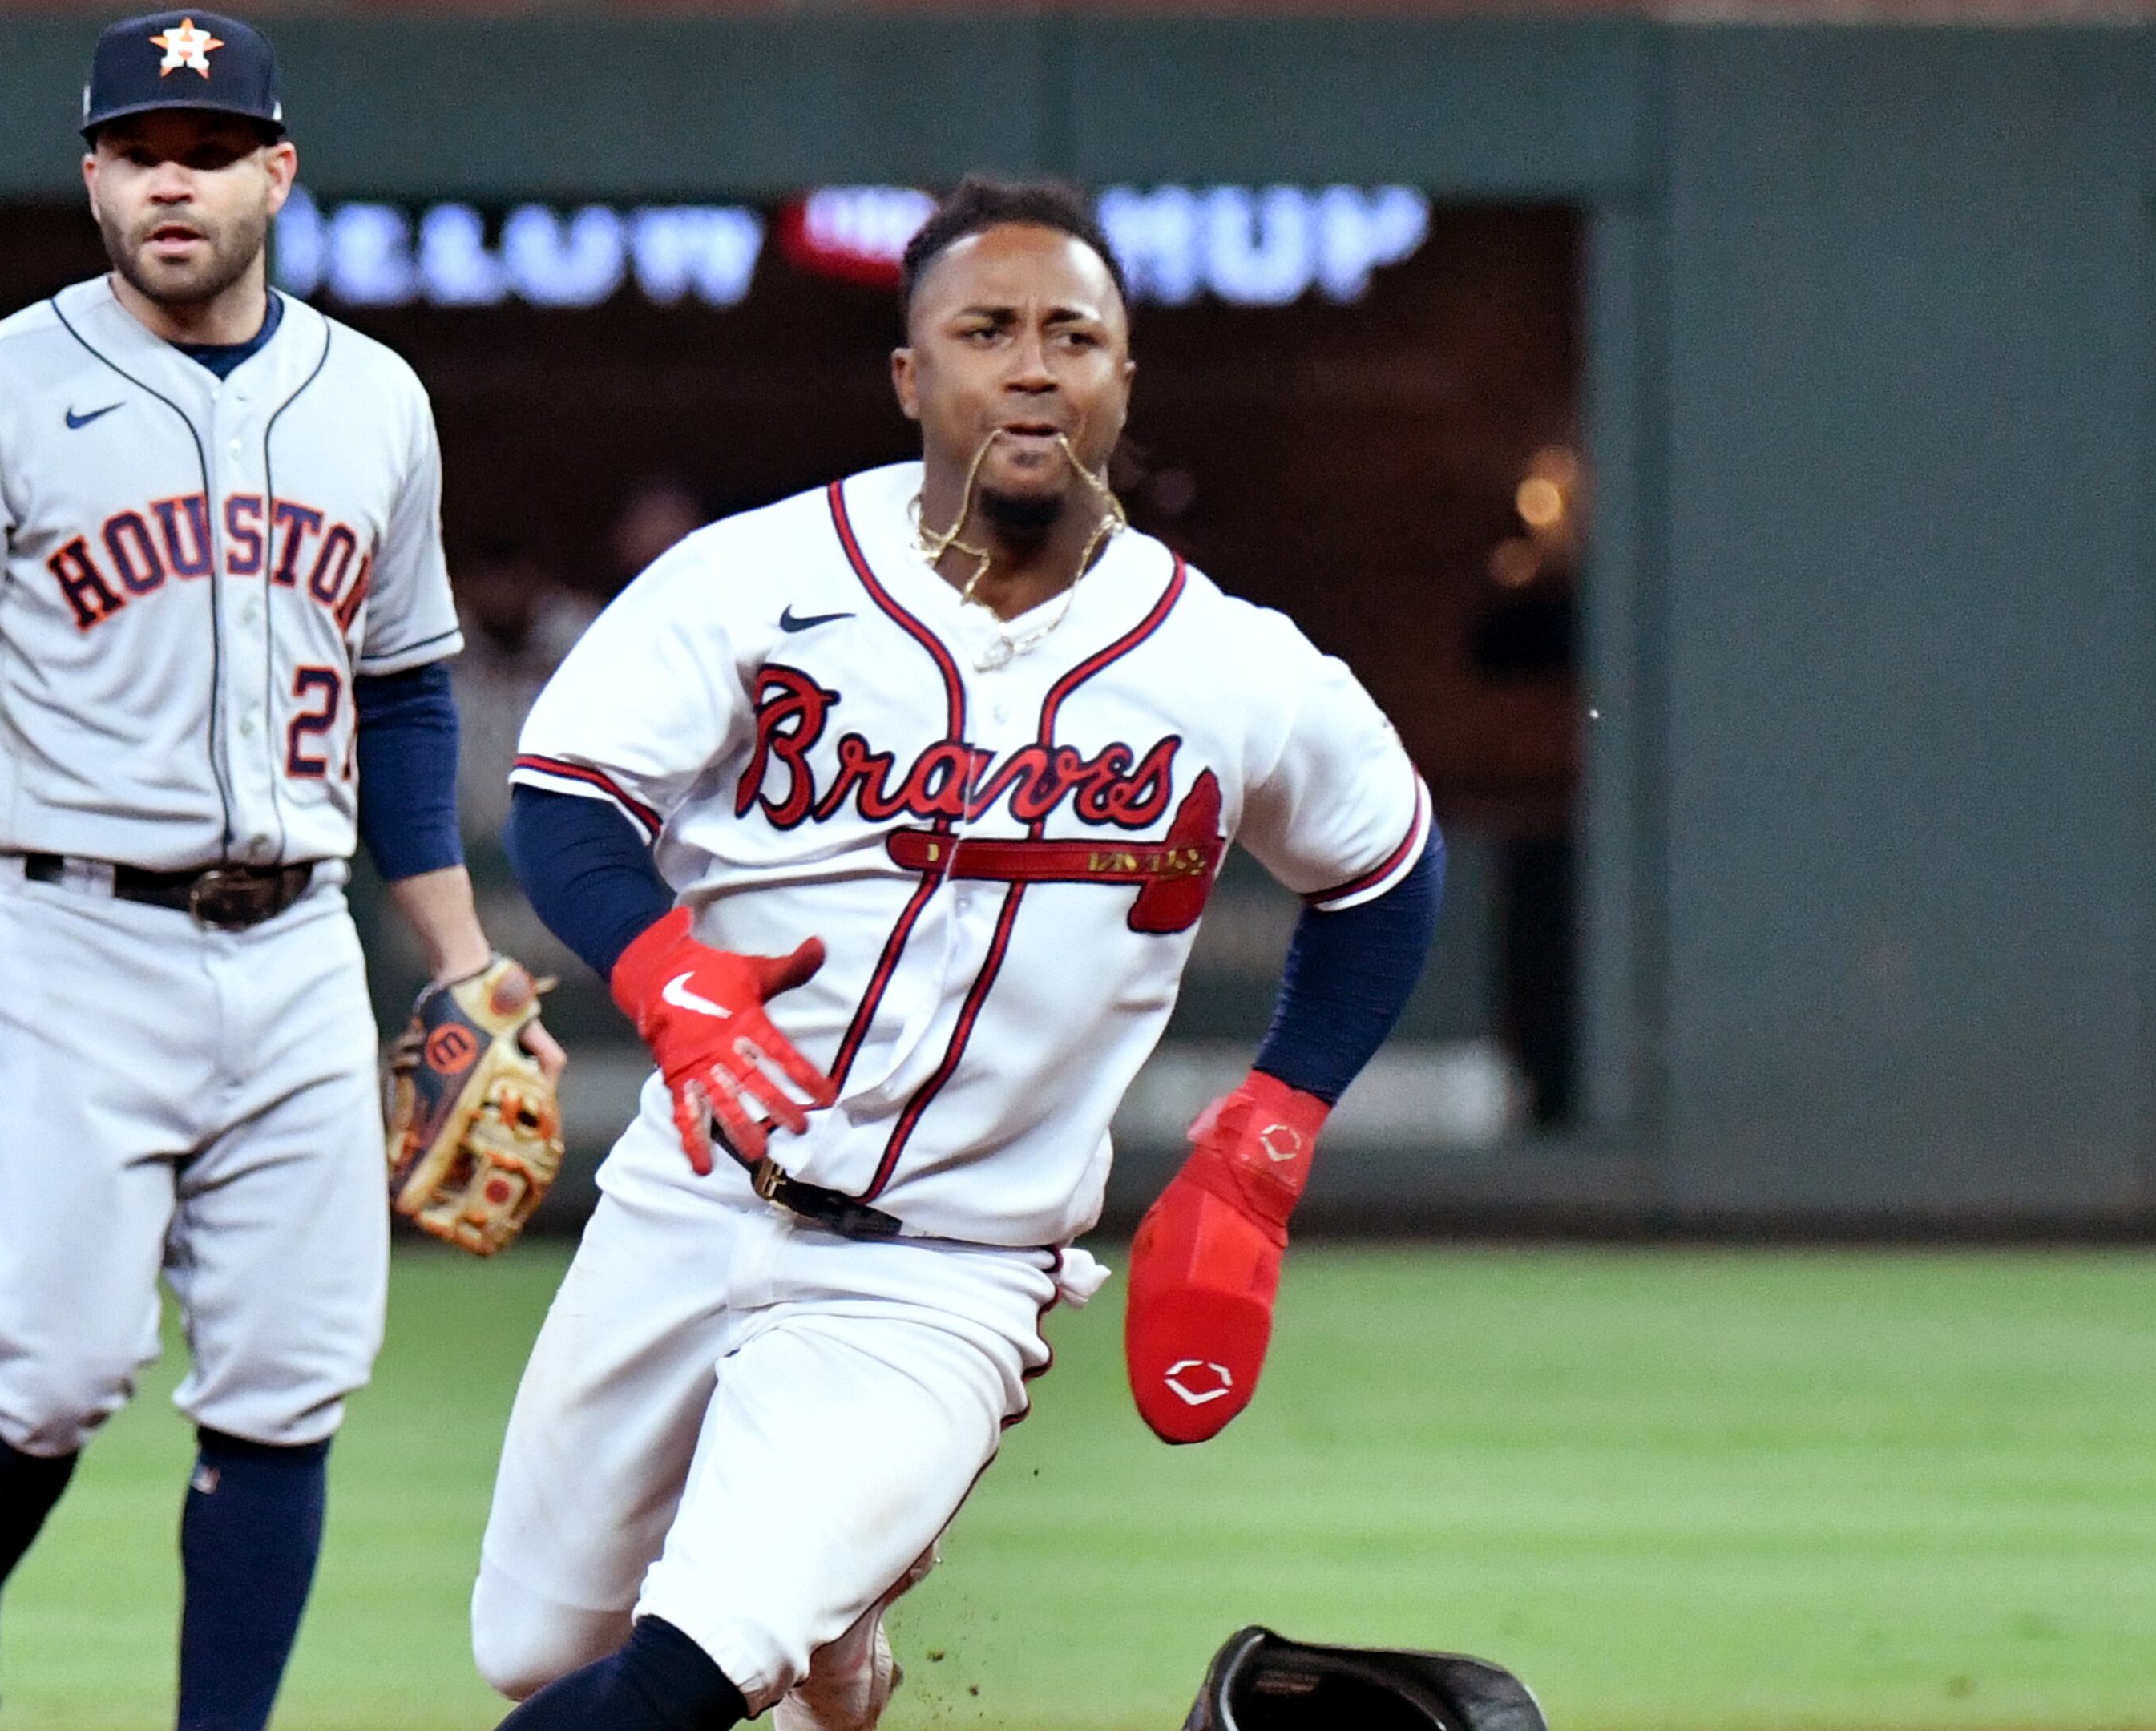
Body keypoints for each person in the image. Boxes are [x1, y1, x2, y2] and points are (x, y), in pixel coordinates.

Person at [474, 176, 1444, 1731]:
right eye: (986, 331)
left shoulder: (1229, 666)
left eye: (1076, 332)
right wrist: (661, 971)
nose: (1035, 365)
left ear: (1126, 378)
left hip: (944, 1270)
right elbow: (569, 796)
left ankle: (800, 1607)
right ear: (912, 377)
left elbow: (1387, 870)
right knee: (535, 1648)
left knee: (676, 1675)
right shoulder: (756, 580)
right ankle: (836, 1634)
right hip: (691, 1190)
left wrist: (1281, 1117)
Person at [0, 14, 559, 1731]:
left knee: (289, 1390)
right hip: (77, 936)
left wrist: (451, 950)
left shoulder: (373, 400)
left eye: (212, 149)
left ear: (276, 175)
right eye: (142, 149)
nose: (176, 178)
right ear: (91, 176)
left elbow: (407, 694)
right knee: (52, 1369)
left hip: (300, 947)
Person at [448, 538, 597, 844]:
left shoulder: (581, 631)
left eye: (508, 580)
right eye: (488, 581)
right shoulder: (447, 640)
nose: (500, 593)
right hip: (476, 846)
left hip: (566, 836)